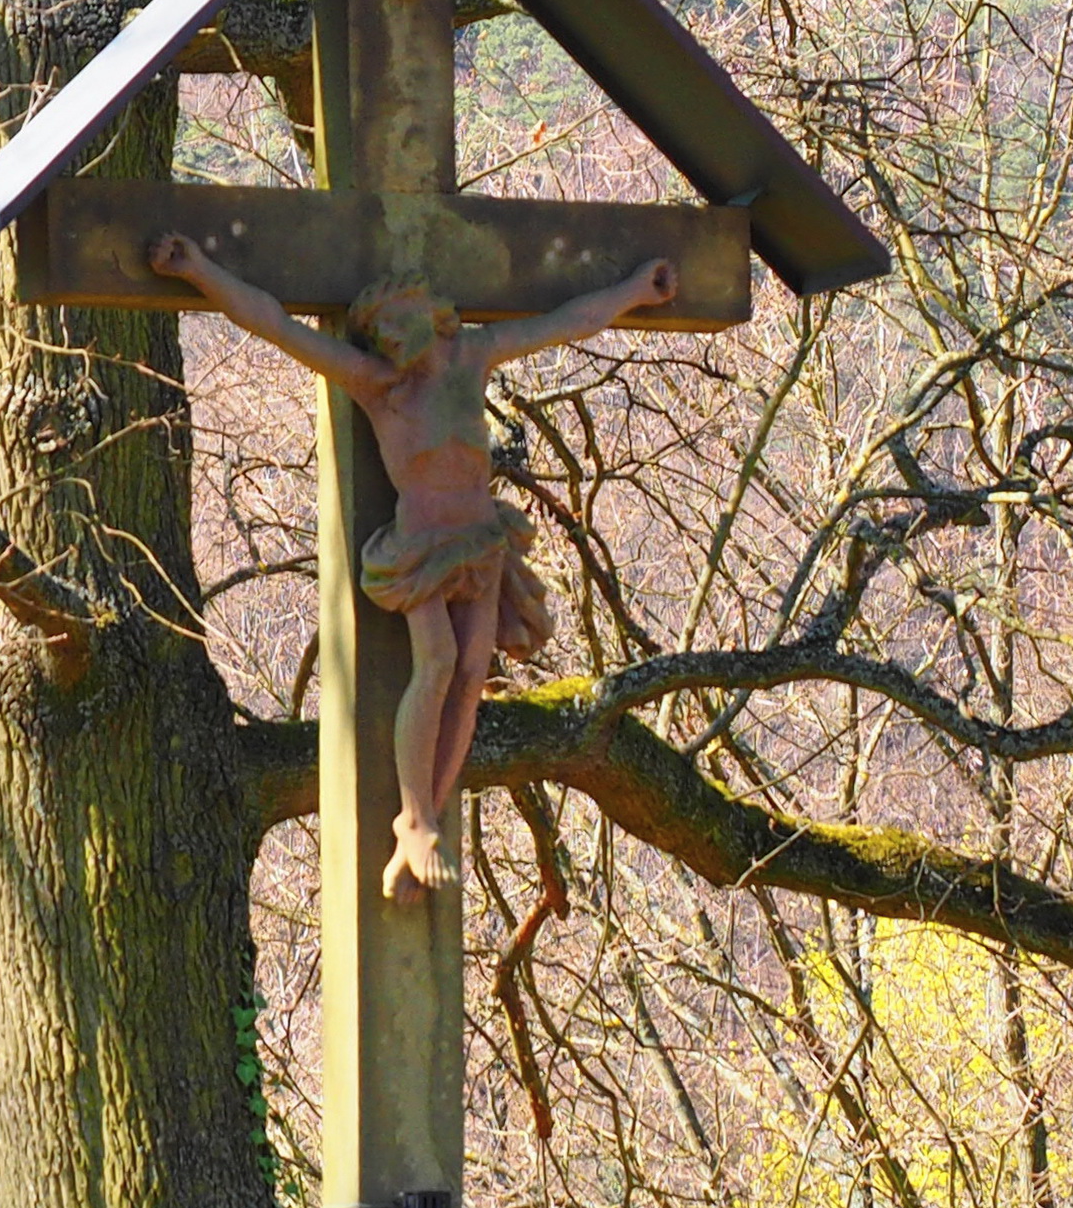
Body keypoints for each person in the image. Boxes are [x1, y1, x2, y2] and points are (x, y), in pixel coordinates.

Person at [149, 235, 680, 899]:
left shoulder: (474, 358)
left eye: (394, 321)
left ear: (435, 317)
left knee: (468, 672)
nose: (385, 338)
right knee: (434, 664)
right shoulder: (379, 387)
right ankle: (415, 815)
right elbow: (272, 321)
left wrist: (634, 290)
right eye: (374, 331)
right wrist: (199, 271)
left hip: (481, 542)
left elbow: (564, 322)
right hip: (420, 549)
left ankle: (424, 819)